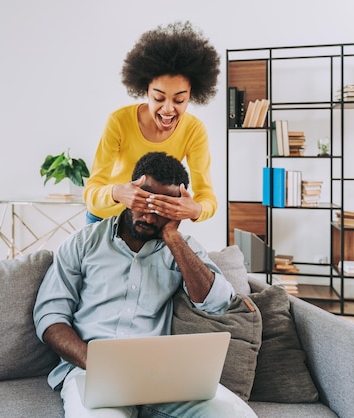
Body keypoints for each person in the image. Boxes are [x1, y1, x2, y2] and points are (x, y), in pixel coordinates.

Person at [34, 152, 256, 418]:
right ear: (131, 192)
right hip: (91, 371)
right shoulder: (83, 242)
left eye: (162, 210)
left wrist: (172, 236)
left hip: (162, 376)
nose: (149, 218)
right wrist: (95, 363)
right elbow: (50, 318)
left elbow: (217, 303)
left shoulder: (182, 248)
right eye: (145, 202)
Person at [84, 21, 219, 225]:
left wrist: (195, 209)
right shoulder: (119, 121)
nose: (168, 109)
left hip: (150, 224)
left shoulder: (194, 130)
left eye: (179, 100)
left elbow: (206, 196)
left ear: (192, 95)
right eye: (159, 98)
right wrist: (117, 193)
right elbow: (91, 191)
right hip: (104, 220)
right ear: (146, 91)